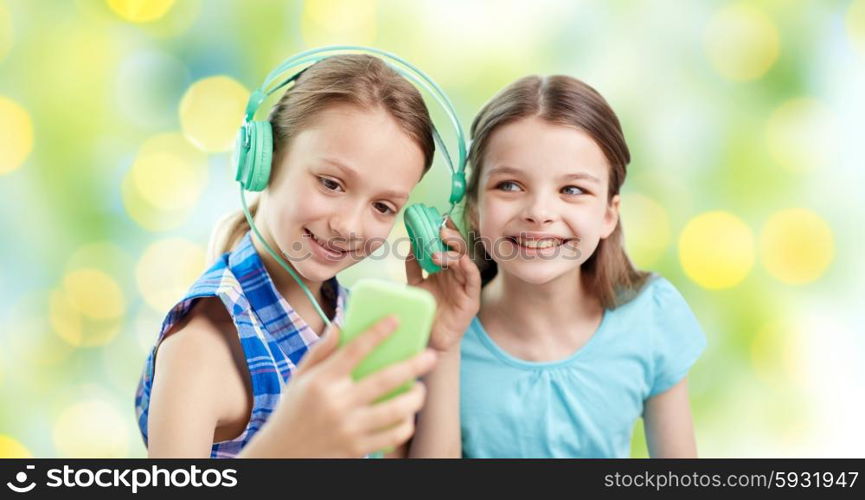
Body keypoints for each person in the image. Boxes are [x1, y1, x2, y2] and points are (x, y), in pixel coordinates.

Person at [135, 52, 479, 458]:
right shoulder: (202, 348)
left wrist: (443, 344)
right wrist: (286, 445)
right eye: (331, 183)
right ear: (263, 160)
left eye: (383, 207)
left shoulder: (355, 322)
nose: (349, 226)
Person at [458, 75, 707, 457]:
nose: (539, 213)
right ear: (474, 208)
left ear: (609, 214)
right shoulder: (440, 332)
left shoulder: (652, 317)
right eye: (509, 185)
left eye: (572, 190)